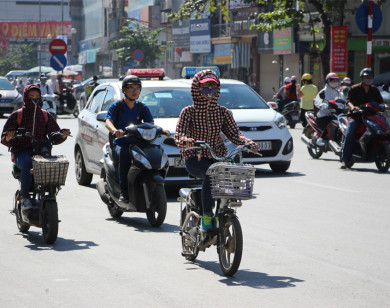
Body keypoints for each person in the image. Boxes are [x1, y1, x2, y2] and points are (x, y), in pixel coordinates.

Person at [175, 69, 259, 232]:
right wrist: (185, 141)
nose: (210, 91)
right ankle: (207, 216)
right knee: (210, 173)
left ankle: (223, 210)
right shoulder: (188, 112)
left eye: (214, 87)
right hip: (195, 157)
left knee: (229, 173)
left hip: (217, 155)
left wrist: (249, 143)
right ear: (197, 89)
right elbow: (180, 133)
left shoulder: (223, 113)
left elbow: (235, 134)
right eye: (206, 87)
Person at [1, 85, 70, 217]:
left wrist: (62, 135)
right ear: (26, 97)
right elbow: (4, 138)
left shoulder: (45, 116)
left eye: (37, 97)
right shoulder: (17, 115)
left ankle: (50, 193)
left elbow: (54, 136)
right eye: (31, 96)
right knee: (28, 163)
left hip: (41, 152)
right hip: (22, 152)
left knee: (54, 164)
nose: (34, 99)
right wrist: (9, 137)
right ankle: (25, 198)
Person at [105, 75, 169, 203]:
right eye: (131, 88)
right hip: (121, 142)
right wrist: (115, 130)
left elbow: (150, 124)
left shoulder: (142, 107)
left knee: (155, 153)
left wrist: (160, 130)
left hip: (139, 141)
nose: (135, 91)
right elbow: (108, 121)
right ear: (124, 90)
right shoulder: (116, 106)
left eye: (137, 88)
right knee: (124, 156)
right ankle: (124, 191)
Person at [340, 68, 387, 169]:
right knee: (350, 134)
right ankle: (345, 159)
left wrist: (385, 106)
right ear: (362, 78)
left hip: (371, 115)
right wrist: (353, 108)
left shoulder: (374, 89)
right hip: (355, 116)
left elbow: (380, 102)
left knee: (385, 129)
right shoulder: (354, 88)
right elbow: (348, 101)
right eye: (367, 77)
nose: (369, 79)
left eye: (370, 77)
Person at [313, 72, 341, 146]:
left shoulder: (338, 92)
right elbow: (316, 102)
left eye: (336, 80)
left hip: (335, 114)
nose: (334, 82)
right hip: (324, 114)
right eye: (332, 80)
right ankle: (321, 138)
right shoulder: (323, 92)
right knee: (329, 123)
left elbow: (342, 101)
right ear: (328, 81)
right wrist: (322, 105)